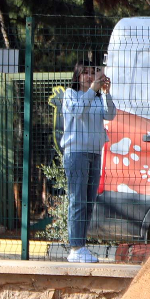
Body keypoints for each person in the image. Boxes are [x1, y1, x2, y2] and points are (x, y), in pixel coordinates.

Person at [61, 63, 116, 263]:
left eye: (93, 72)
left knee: (88, 201)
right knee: (77, 200)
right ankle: (76, 247)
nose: (90, 76)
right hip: (76, 153)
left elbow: (110, 114)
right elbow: (76, 111)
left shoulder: (96, 98)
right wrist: (93, 90)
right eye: (85, 72)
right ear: (77, 76)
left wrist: (106, 93)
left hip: (94, 153)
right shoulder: (70, 94)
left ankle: (81, 246)